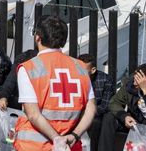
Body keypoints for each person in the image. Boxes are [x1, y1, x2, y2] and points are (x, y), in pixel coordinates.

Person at [14, 15, 95, 151]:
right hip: (70, 143)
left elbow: (33, 114)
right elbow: (91, 108)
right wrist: (74, 135)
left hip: (34, 145)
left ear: (37, 37)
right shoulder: (81, 67)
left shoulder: (29, 68)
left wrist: (57, 139)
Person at [102, 64, 146, 151]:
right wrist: (124, 116)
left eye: (138, 80)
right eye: (135, 78)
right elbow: (114, 102)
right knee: (109, 118)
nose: (134, 82)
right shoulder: (129, 85)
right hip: (134, 122)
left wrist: (145, 90)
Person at [76, 54, 114, 151]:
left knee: (95, 122)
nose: (78, 72)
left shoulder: (105, 79)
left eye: (83, 70)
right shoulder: (73, 78)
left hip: (95, 115)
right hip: (77, 113)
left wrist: (88, 114)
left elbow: (105, 106)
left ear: (92, 70)